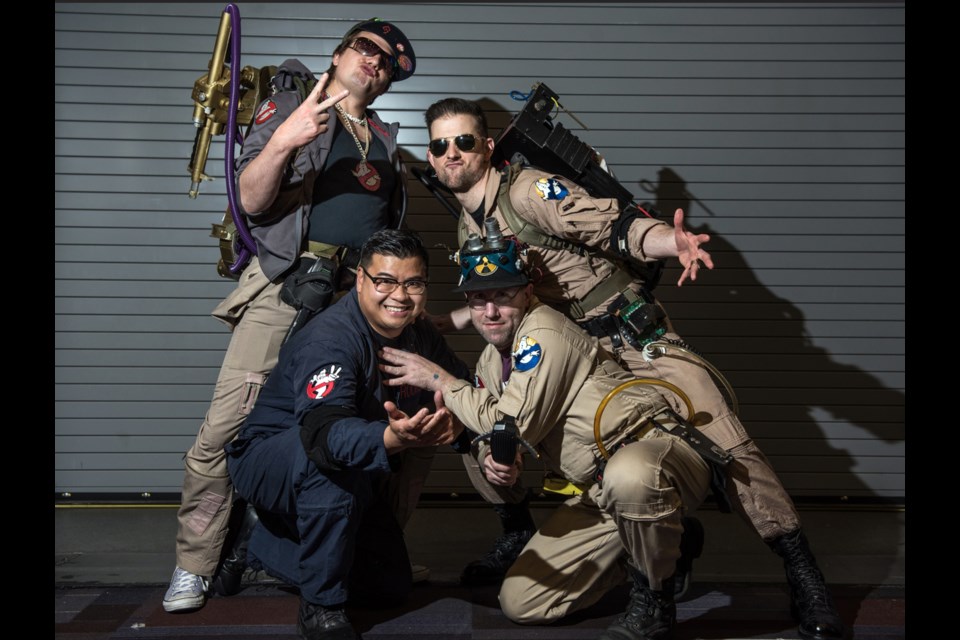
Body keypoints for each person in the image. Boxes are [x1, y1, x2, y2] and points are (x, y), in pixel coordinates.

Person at [420, 97, 844, 640]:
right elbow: (496, 291)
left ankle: (802, 573)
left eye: (463, 141)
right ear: (431, 158)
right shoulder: (467, 226)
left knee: (726, 443)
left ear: (487, 146)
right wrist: (444, 322)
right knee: (556, 445)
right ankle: (644, 545)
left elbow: (610, 225)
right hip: (573, 355)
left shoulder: (528, 190)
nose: (452, 153)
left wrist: (672, 241)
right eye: (440, 145)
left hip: (631, 337)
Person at [164, 18, 419, 613]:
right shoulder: (291, 103)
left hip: (357, 300)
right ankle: (193, 563)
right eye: (365, 47)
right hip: (289, 285)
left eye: (387, 61)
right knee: (227, 427)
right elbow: (250, 198)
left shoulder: (382, 135)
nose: (375, 61)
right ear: (338, 54)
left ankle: (370, 554)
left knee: (371, 421)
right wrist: (288, 138)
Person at [379, 233, 716, 639]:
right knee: (523, 600)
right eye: (478, 299)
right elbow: (496, 425)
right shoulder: (490, 359)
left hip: (654, 454)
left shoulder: (544, 333)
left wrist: (437, 377)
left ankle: (655, 601)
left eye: (502, 295)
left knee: (630, 476)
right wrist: (493, 453)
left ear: (526, 292)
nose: (490, 311)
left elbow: (513, 422)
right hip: (599, 491)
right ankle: (666, 543)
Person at [225, 229, 471, 640]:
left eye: (413, 283)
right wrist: (392, 441)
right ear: (360, 280)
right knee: (331, 467)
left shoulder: (420, 333)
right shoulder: (332, 338)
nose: (401, 295)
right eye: (386, 281)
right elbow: (323, 434)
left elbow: (464, 387)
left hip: (357, 469)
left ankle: (261, 541)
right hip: (275, 458)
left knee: (387, 588)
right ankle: (321, 609)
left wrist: (459, 426)